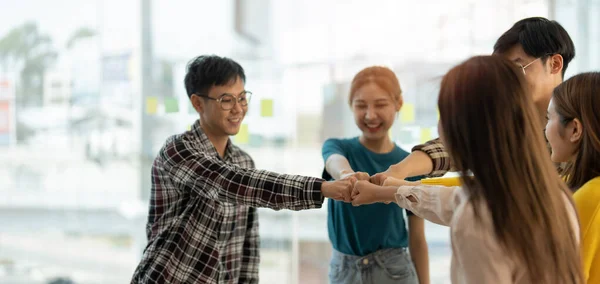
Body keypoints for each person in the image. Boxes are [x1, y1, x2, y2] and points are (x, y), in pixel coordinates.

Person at [351, 56, 583, 283]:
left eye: (444, 115)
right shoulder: (554, 194)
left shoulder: (478, 218)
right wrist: (390, 190)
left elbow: (463, 205)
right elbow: (451, 200)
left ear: (465, 127)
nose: (440, 129)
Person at [131, 55, 355, 283]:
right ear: (198, 103)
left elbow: (247, 246)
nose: (238, 109)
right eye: (226, 100)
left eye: (242, 98)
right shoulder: (177, 150)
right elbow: (230, 182)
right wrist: (324, 188)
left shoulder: (243, 161)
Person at [372, 17, 575, 182]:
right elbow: (452, 148)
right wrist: (398, 171)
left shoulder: (583, 116)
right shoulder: (504, 118)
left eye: (515, 69)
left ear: (555, 64)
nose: (506, 80)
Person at [322, 66, 429, 284]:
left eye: (380, 104)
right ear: (351, 106)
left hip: (394, 270)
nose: (370, 115)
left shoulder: (409, 165)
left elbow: (417, 239)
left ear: (398, 103)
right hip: (344, 271)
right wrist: (347, 175)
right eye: (361, 106)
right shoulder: (338, 148)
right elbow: (333, 161)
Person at [546, 72, 600, 283]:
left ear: (575, 129)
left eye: (549, 118)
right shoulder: (581, 183)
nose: (545, 129)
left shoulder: (590, 196)